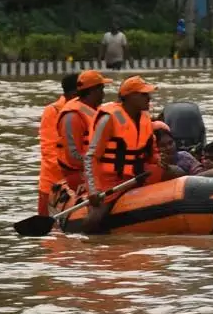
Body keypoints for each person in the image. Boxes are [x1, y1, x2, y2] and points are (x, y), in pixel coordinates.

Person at [84, 75, 162, 231]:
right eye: (144, 94)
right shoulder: (109, 118)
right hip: (110, 182)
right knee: (96, 219)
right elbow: (91, 157)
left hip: (138, 175)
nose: (149, 98)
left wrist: (161, 162)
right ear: (130, 97)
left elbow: (152, 153)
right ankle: (88, 246)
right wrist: (93, 190)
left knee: (175, 173)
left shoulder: (145, 119)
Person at [56, 70, 111, 191]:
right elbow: (73, 157)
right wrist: (100, 164)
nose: (103, 94)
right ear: (93, 91)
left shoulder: (97, 111)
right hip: (78, 174)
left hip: (97, 168)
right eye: (101, 90)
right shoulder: (72, 117)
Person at [37, 72, 80, 215]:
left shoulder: (88, 111)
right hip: (53, 184)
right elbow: (49, 151)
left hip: (79, 181)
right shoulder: (53, 111)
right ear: (75, 93)